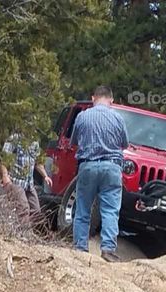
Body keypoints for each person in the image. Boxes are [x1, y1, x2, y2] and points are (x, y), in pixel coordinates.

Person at [69, 85, 129, 262]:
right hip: (111, 167)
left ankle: (80, 248)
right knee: (110, 210)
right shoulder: (118, 118)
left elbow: (74, 141)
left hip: (87, 165)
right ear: (111, 100)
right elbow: (125, 143)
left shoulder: (82, 116)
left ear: (93, 98)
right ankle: (108, 250)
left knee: (83, 209)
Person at [0, 134, 52, 221]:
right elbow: (4, 159)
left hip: (29, 184)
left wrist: (45, 176)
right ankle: (22, 229)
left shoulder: (35, 142)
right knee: (23, 209)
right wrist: (5, 176)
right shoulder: (13, 139)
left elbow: (38, 162)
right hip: (15, 181)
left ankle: (29, 228)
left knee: (36, 211)